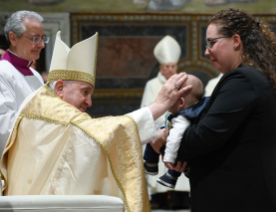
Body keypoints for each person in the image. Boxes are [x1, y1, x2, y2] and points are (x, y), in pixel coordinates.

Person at [0, 31, 191, 212]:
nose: (89, 102)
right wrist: (160, 105)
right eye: (84, 92)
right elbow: (98, 136)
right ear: (59, 88)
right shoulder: (49, 109)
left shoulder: (42, 104)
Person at [151, 8, 276, 212]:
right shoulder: (248, 78)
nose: (207, 51)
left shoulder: (242, 80)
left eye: (212, 43)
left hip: (242, 199)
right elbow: (224, 144)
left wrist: (162, 141)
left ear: (235, 41)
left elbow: (204, 135)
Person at [144, 75, 209, 188]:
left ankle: (151, 163)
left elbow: (174, 137)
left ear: (180, 102)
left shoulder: (182, 118)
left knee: (153, 136)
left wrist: (169, 157)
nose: (168, 104)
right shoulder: (201, 106)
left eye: (170, 100)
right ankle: (171, 176)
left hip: (179, 152)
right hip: (194, 154)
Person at [0, 11, 46, 153]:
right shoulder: (2, 72)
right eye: (35, 38)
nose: (42, 45)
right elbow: (4, 126)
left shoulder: (36, 75)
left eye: (43, 38)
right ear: (13, 38)